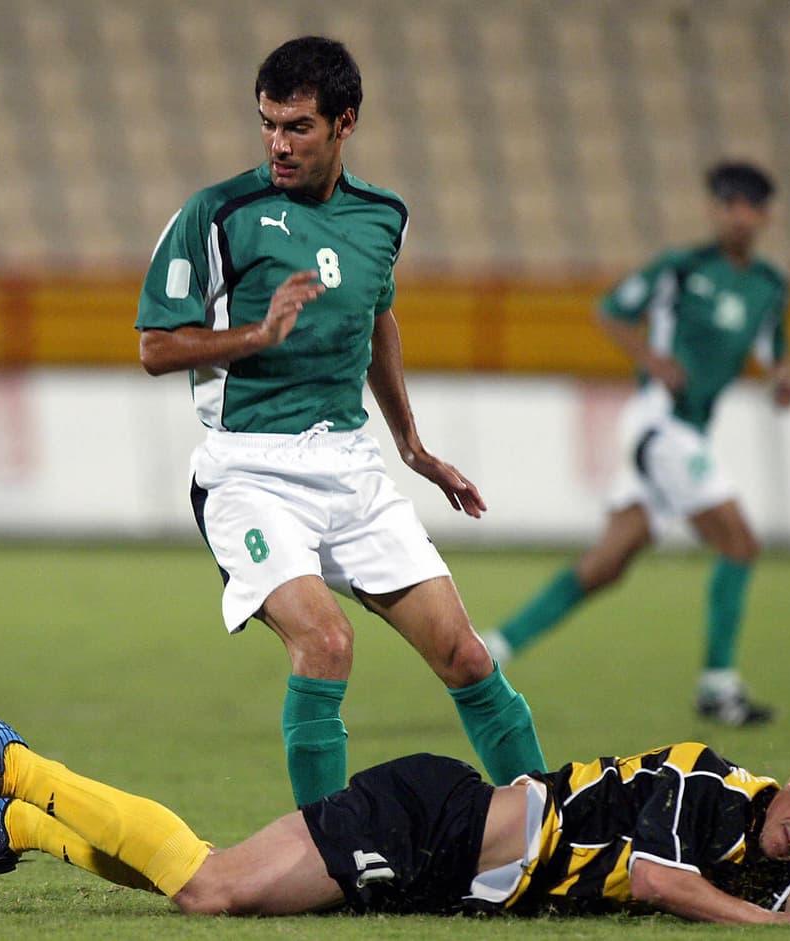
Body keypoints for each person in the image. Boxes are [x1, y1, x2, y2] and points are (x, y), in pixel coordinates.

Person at [134, 35, 544, 806]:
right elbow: (157, 347)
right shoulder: (218, 214)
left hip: (349, 467)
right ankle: (325, 853)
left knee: (465, 654)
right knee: (325, 644)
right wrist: (255, 337)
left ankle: (556, 826)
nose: (278, 144)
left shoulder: (383, 216)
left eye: (298, 127)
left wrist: (412, 446)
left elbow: (377, 319)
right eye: (268, 125)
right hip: (248, 472)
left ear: (344, 123)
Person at [0, 717, 790, 930]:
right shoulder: (713, 785)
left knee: (219, 887)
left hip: (442, 870)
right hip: (434, 816)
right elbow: (652, 878)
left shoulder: (761, 852)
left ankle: (26, 830)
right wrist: (773, 926)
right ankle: (14, 760)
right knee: (211, 883)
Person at [483, 160, 790, 727]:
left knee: (607, 563)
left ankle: (493, 649)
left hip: (687, 431)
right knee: (740, 543)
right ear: (714, 209)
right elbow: (610, 310)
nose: (738, 215)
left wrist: (783, 380)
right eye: (727, 203)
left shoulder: (770, 287)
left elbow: (776, 353)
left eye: (749, 205)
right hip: (660, 424)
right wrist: (651, 359)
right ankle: (717, 686)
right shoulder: (682, 268)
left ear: (765, 215)